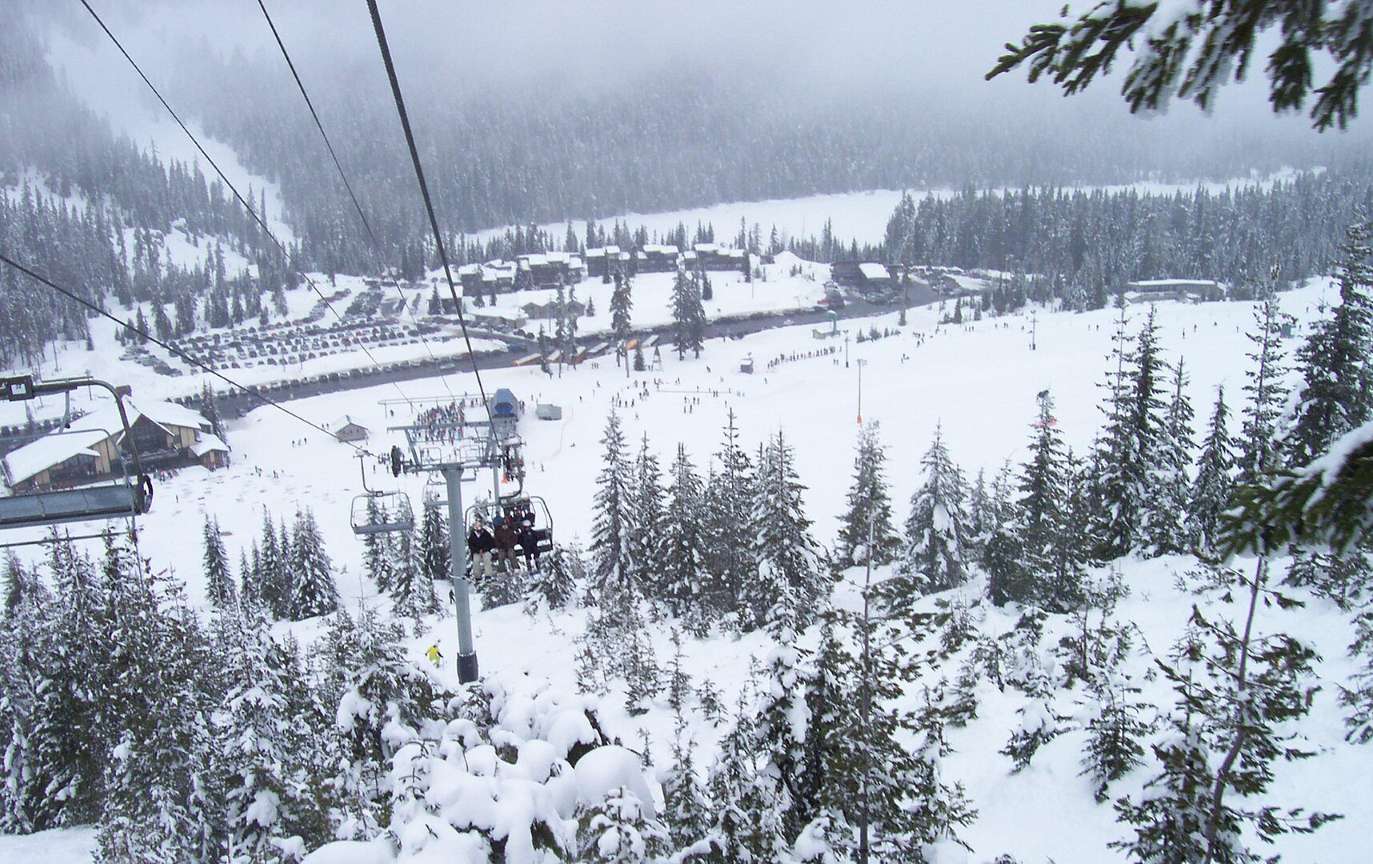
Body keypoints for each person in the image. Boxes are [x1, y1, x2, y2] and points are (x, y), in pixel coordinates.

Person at [467, 515, 495, 583]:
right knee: (476, 561)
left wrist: (484, 549)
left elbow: (490, 543)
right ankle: (477, 577)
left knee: (487, 560)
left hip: (485, 551)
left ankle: (488, 576)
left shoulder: (486, 534)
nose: (478, 529)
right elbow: (471, 545)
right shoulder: (472, 536)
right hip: (477, 551)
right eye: (477, 528)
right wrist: (477, 550)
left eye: (479, 527)